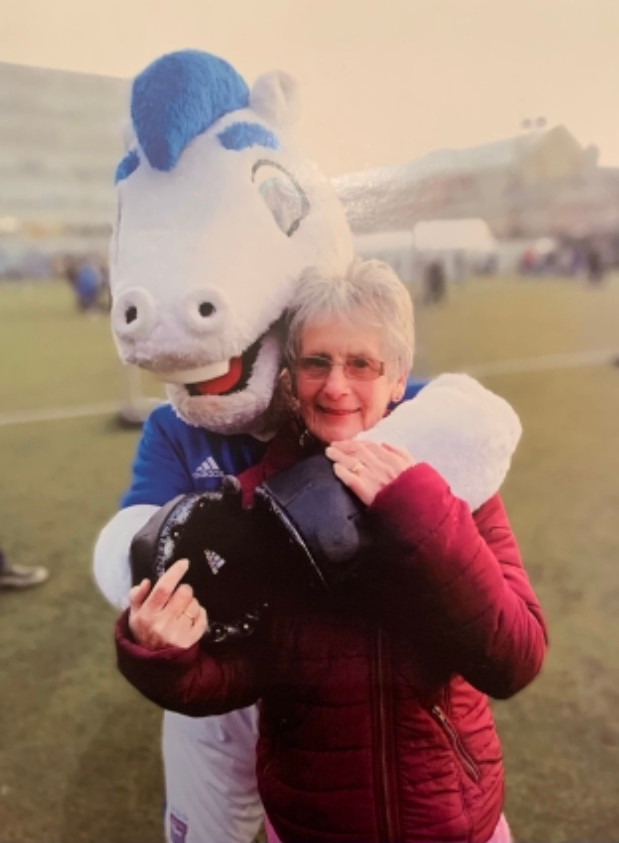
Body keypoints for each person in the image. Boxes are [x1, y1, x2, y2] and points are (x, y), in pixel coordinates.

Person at [115, 259, 547, 843]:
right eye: (316, 363)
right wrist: (165, 655)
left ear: (398, 380)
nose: (336, 386)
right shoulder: (257, 502)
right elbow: (238, 675)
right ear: (290, 379)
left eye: (361, 364)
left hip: (454, 822)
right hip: (311, 826)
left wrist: (415, 507)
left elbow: (515, 658)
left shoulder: (453, 482)